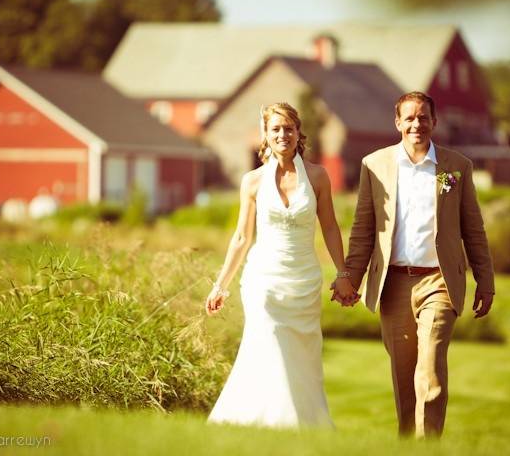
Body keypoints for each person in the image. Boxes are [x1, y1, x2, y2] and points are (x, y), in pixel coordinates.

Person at [332, 91, 495, 438]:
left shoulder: (455, 167)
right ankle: (407, 444)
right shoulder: (374, 165)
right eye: (409, 118)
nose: (416, 124)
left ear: (434, 122)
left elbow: (473, 227)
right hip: (393, 285)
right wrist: (350, 276)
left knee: (430, 368)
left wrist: (485, 279)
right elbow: (363, 229)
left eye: (423, 117)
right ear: (397, 123)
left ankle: (428, 444)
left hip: (438, 282)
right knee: (404, 377)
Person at [205, 102, 356, 428]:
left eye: (288, 128)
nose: (282, 134)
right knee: (267, 338)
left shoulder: (317, 176)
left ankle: (300, 427)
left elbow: (329, 227)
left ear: (299, 132)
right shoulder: (253, 181)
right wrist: (221, 284)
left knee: (301, 358)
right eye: (276, 129)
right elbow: (242, 238)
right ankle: (258, 421)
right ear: (266, 134)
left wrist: (343, 274)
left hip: (303, 280)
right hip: (263, 278)